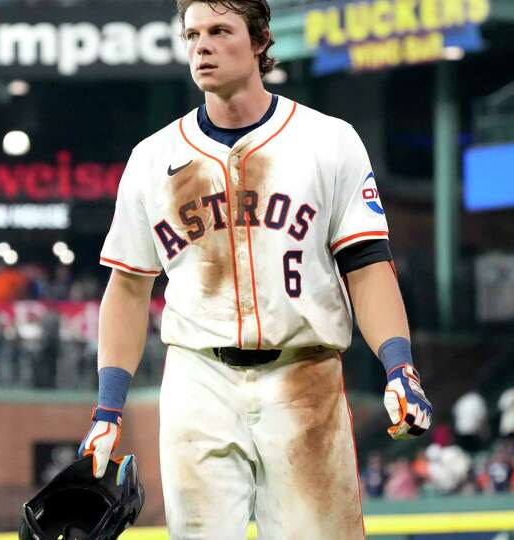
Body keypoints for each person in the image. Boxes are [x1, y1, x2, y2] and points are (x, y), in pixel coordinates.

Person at [76, 1, 432, 537]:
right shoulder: (152, 159)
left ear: (261, 39)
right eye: (193, 33)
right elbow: (127, 288)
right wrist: (108, 409)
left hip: (304, 371)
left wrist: (399, 366)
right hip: (199, 378)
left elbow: (366, 263)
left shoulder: (327, 141)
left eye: (220, 30)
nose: (203, 45)